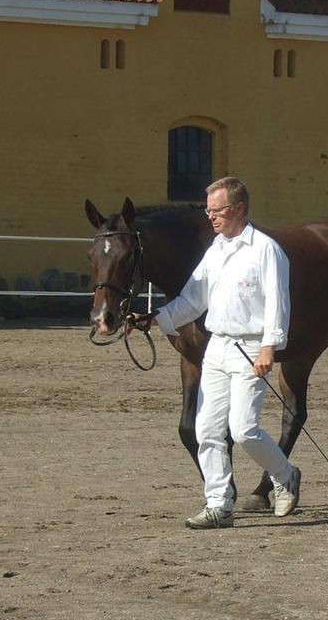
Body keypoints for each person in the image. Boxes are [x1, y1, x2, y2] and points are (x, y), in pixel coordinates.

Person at [129, 177, 301, 529]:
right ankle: (219, 504)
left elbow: (278, 301)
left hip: (251, 346)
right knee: (207, 429)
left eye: (217, 210)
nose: (211, 217)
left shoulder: (266, 250)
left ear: (239, 208)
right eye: (208, 211)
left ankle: (285, 474)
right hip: (217, 346)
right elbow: (194, 298)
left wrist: (270, 345)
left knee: (243, 429)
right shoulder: (216, 249)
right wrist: (154, 319)